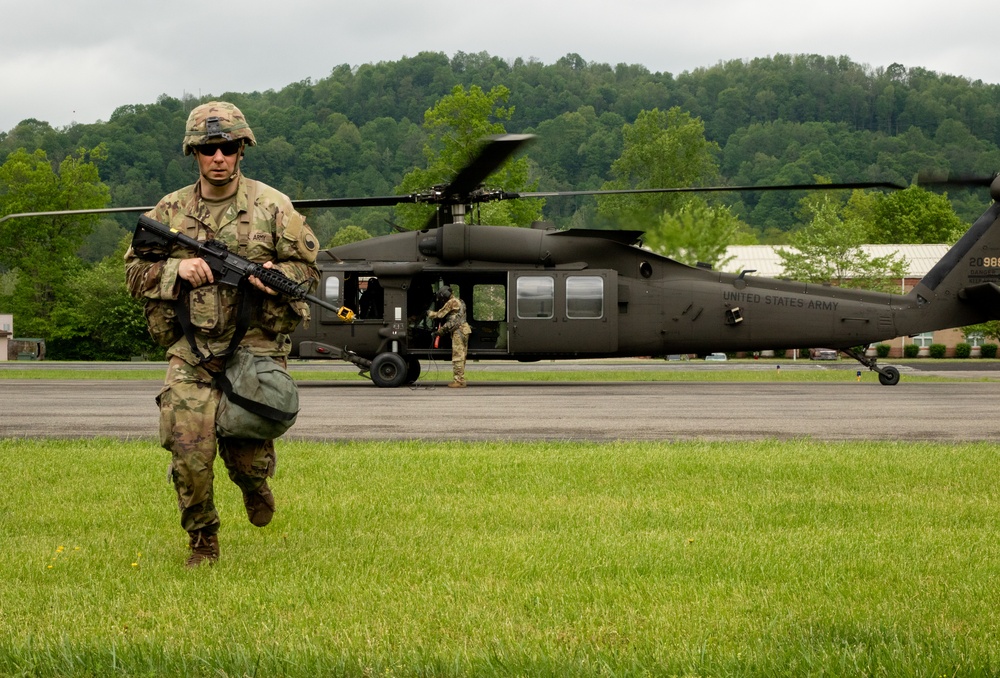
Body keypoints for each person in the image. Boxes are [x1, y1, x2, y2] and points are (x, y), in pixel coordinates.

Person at [125, 101, 320, 567]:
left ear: (241, 150)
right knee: (189, 448)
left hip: (255, 349)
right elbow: (133, 273)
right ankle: (203, 539)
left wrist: (276, 273)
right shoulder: (170, 210)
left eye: (228, 147)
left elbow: (310, 277)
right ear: (195, 152)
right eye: (209, 148)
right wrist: (177, 268)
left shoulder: (274, 207)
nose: (219, 157)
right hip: (191, 352)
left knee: (245, 452)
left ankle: (253, 484)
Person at [426, 285, 472, 388]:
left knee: (457, 356)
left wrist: (429, 313)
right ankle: (461, 379)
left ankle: (458, 381)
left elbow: (440, 314)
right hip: (465, 329)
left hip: (458, 331)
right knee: (462, 355)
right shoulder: (461, 301)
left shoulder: (452, 302)